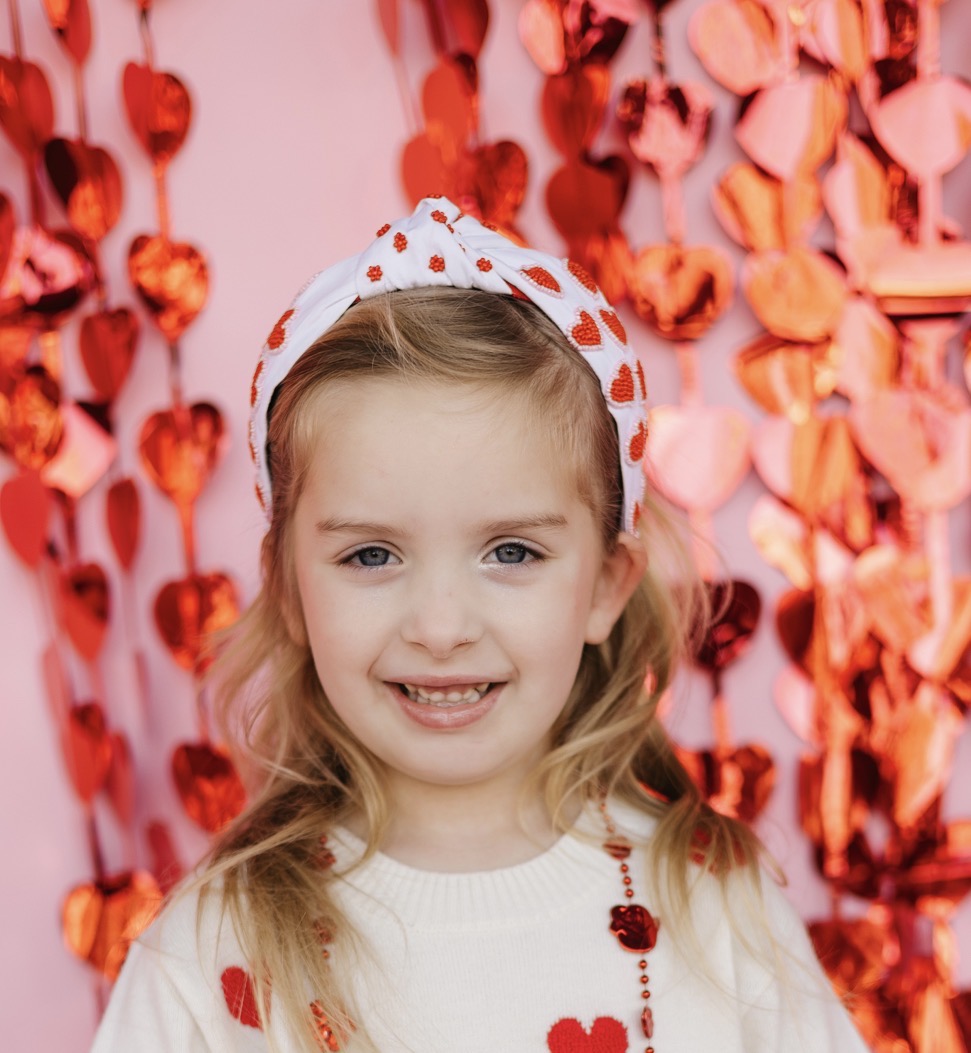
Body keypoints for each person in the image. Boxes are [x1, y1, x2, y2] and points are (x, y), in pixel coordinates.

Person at [91, 197, 869, 1053]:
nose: (439, 625)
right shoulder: (209, 951)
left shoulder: (716, 908)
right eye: (371, 556)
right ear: (286, 592)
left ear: (607, 585)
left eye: (510, 551)